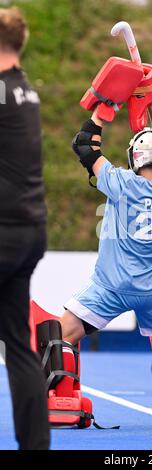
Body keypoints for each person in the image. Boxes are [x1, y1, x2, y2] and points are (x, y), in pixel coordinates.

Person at [59, 100, 152, 424]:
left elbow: (85, 145)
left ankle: (61, 399)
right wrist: (151, 101)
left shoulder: (121, 183)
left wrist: (103, 109)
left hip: (114, 287)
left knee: (62, 333)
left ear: (133, 159)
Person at [0, 7, 49, 449]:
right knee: (18, 345)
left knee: (17, 343)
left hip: (5, 231)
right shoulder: (25, 90)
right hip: (30, 230)